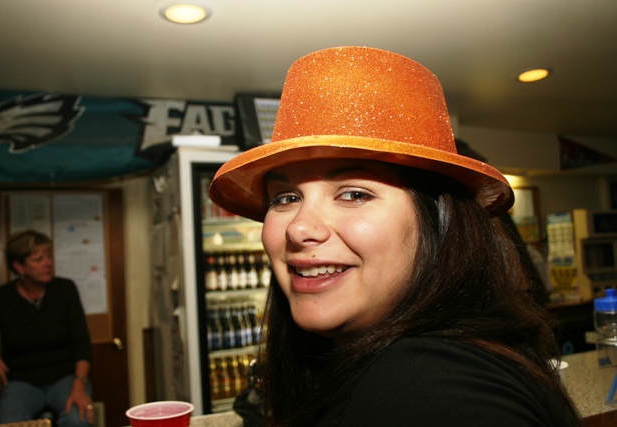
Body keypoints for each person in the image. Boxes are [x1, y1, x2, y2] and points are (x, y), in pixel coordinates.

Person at [209, 46, 581, 426]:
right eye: (285, 198)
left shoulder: (425, 388)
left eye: (354, 194)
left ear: (440, 223)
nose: (298, 228)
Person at [0, 229, 94, 426]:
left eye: (49, 257)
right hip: (20, 383)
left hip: (65, 379)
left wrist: (79, 384)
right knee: (11, 424)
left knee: (77, 419)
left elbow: (82, 344)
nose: (48, 263)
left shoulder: (65, 290)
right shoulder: (1, 298)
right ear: (19, 267)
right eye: (38, 259)